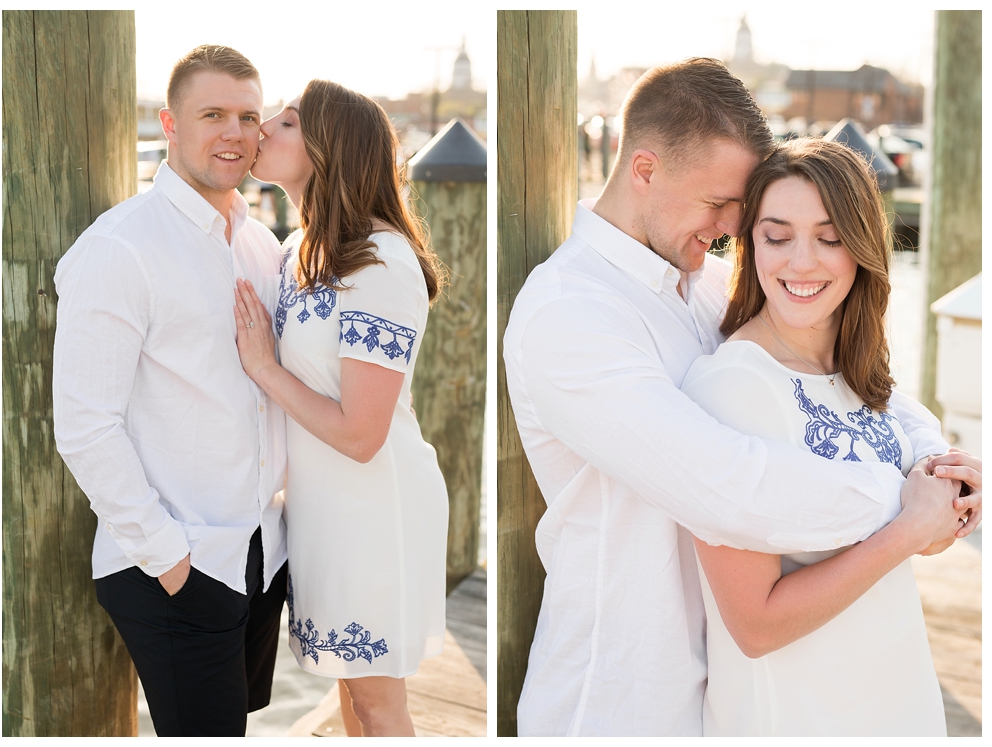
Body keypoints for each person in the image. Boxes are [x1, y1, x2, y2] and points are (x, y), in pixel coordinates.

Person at [501, 58, 982, 736]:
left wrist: (935, 458)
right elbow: (732, 485)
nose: (733, 226)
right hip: (622, 695)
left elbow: (838, 377)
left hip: (724, 686)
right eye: (719, 203)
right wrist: (906, 506)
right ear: (644, 170)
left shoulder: (699, 282)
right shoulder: (570, 315)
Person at [682, 138, 979, 736]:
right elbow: (755, 625)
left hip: (898, 703)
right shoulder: (734, 388)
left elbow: (927, 532)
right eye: (777, 235)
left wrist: (954, 497)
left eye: (830, 237)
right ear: (749, 244)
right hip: (798, 719)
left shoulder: (859, 374)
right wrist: (908, 530)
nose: (801, 262)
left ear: (863, 247)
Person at [52, 45, 288, 737]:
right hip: (175, 564)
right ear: (170, 124)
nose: (235, 133)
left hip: (256, 553)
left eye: (248, 116)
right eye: (212, 113)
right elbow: (86, 427)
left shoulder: (260, 245)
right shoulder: (119, 248)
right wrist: (171, 559)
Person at [233, 79, 449, 737]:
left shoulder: (379, 259)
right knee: (353, 697)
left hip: (373, 506)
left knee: (380, 702)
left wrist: (265, 367)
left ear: (332, 147)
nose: (265, 125)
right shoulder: (302, 251)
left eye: (289, 121)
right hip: (322, 506)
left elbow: (361, 432)